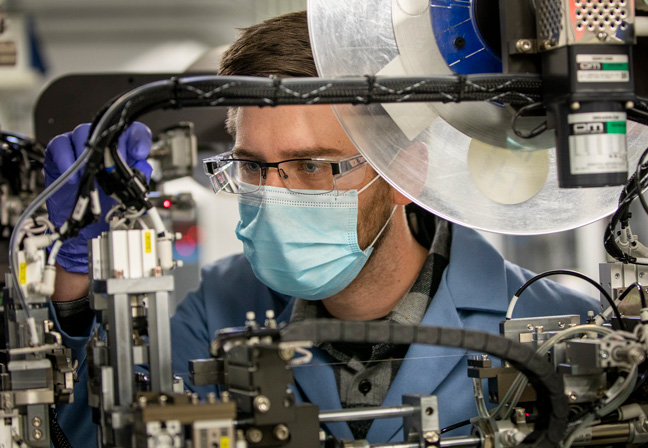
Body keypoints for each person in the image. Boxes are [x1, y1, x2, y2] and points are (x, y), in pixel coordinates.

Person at [45, 10, 600, 447]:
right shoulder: (216, 307)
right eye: (252, 166)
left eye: (313, 167)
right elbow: (96, 435)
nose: (277, 195)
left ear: (407, 168)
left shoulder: (554, 325)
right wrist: (73, 271)